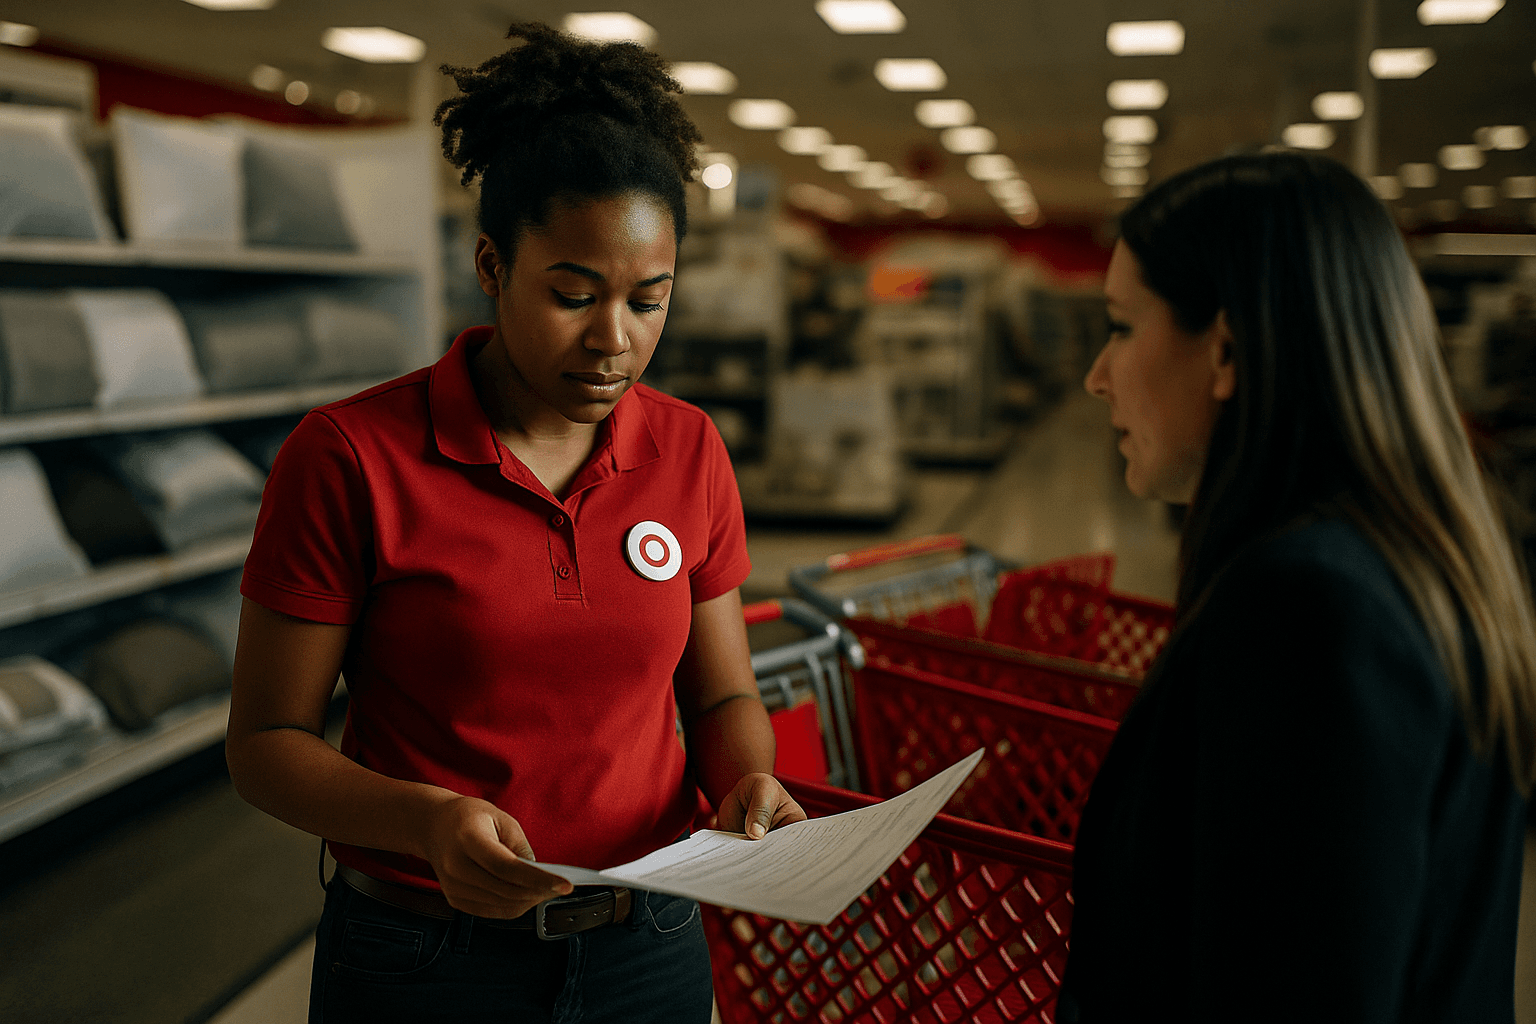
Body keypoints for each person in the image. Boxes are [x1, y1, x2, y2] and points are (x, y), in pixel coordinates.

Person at [224, 22, 805, 1024]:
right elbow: (268, 740)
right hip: (424, 955)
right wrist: (426, 822)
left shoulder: (688, 449)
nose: (615, 340)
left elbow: (718, 698)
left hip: (650, 941)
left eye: (649, 301)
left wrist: (752, 780)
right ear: (491, 265)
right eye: (573, 295)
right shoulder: (351, 457)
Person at [1066, 152, 1535, 1021]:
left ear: (1228, 347)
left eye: (1123, 327)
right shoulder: (1404, 569)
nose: (1098, 374)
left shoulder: (1310, 612)